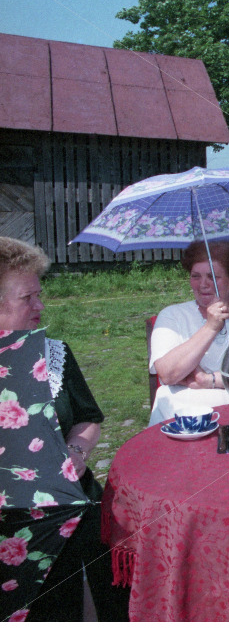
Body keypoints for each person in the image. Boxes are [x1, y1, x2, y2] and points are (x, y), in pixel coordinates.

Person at [0, 237, 128, 621]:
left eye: (40, 294)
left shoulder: (54, 354)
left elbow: (89, 418)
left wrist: (74, 456)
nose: (40, 306)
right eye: (28, 298)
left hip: (72, 507)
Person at [148, 241, 229, 426]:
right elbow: (168, 375)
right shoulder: (172, 316)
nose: (203, 284)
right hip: (180, 413)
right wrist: (210, 328)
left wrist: (209, 380)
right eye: (196, 276)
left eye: (213, 277)